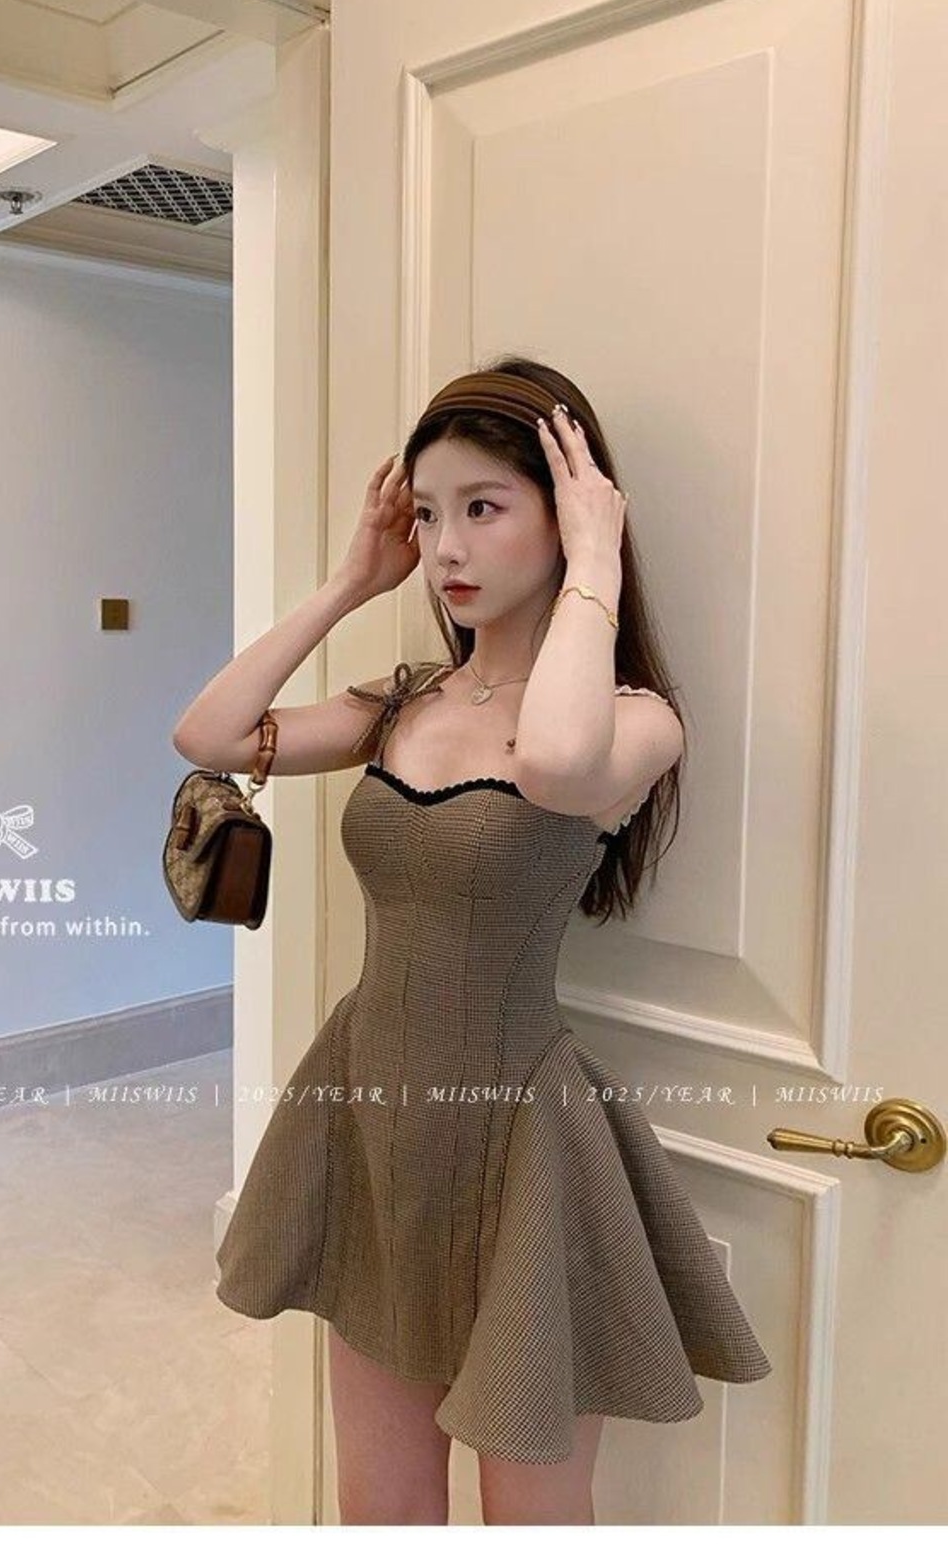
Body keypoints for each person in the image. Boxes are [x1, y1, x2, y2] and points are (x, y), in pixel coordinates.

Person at [172, 355, 771, 1525]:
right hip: (368, 1124)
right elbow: (209, 734)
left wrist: (596, 562)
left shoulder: (637, 722)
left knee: (530, 1513)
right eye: (428, 513)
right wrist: (348, 582)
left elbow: (551, 763)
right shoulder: (401, 701)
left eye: (482, 508)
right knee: (380, 1507)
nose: (445, 547)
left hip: (521, 1146)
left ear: (567, 512)